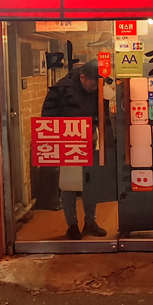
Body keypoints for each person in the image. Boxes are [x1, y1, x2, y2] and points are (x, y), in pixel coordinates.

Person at [40, 60, 108, 240]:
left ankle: (90, 222)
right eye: (92, 84)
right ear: (82, 77)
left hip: (90, 139)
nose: (95, 88)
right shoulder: (61, 88)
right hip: (67, 142)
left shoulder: (98, 88)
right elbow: (47, 116)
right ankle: (72, 225)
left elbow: (104, 113)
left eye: (98, 84)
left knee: (90, 183)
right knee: (68, 184)